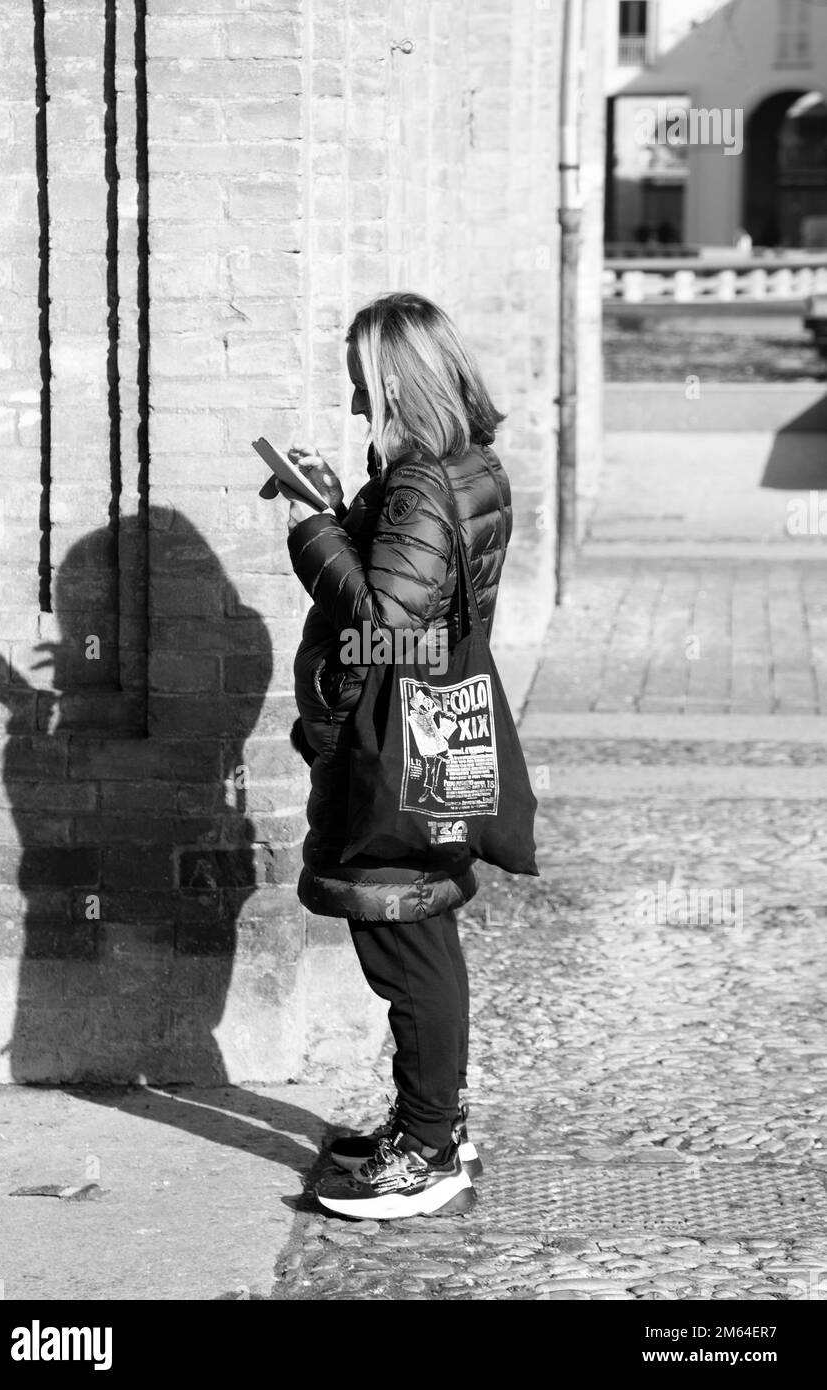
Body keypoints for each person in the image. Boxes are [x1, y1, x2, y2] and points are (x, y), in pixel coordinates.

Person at [278, 291, 512, 1220]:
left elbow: (381, 624)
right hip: (431, 724)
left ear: (400, 385)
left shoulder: (422, 481)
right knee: (419, 929)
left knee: (404, 941)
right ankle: (430, 1123)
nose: (355, 409)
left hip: (394, 734)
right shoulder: (465, 466)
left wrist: (310, 532)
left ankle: (429, 1151)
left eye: (364, 393)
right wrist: (339, 505)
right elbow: (422, 591)